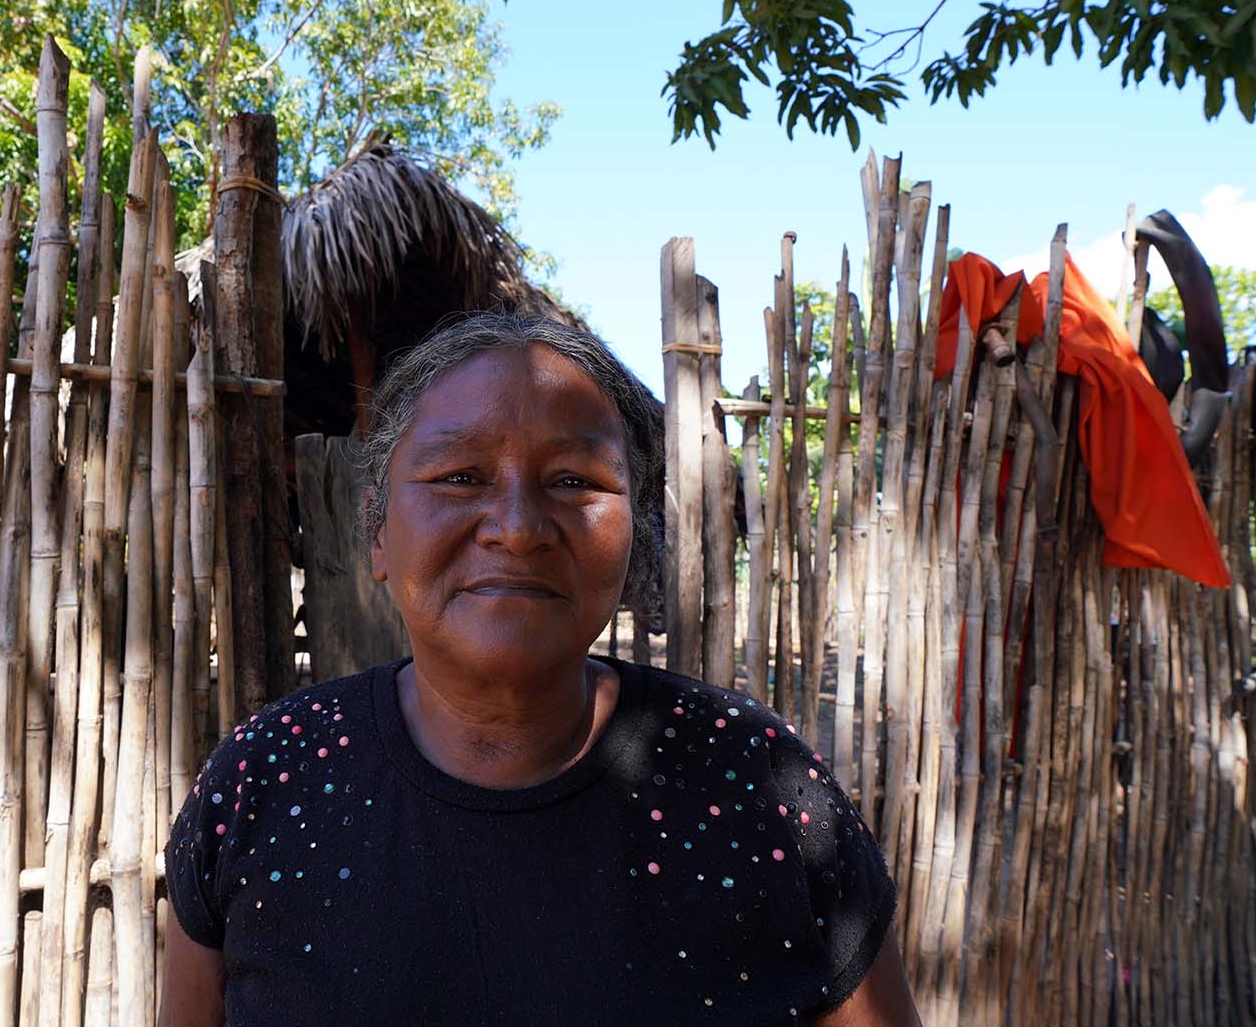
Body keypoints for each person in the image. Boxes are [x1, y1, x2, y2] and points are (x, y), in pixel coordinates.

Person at [161, 313, 921, 1026]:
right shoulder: (264, 779)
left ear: (633, 535)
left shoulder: (761, 784)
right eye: (460, 477)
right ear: (378, 532)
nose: (519, 528)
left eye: (573, 481)